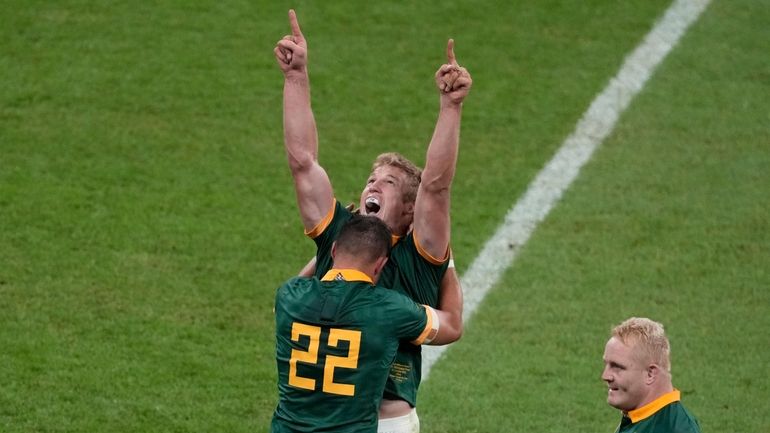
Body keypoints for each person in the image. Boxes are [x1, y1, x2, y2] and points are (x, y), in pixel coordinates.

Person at [274, 9, 471, 431]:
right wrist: (295, 77)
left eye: (389, 183)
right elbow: (303, 163)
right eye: (370, 179)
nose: (372, 187)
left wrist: (450, 108)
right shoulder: (342, 235)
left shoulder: (421, 252)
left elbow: (436, 186)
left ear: (408, 210)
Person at [271, 215, 462, 433]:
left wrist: (323, 253)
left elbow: (289, 293)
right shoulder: (390, 309)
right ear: (381, 264)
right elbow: (452, 326)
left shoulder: (289, 296)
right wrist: (446, 257)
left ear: (334, 251)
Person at [601, 317, 702, 433]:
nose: (605, 376)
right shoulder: (642, 418)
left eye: (617, 367)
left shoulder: (674, 429)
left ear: (650, 374)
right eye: (607, 365)